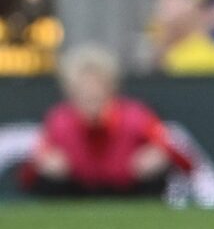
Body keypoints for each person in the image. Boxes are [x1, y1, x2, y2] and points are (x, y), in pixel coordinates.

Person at [21, 44, 193, 196]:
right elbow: (28, 174)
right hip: (76, 193)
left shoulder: (137, 116)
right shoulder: (58, 120)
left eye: (97, 84)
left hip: (130, 192)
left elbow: (182, 159)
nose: (91, 92)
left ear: (111, 86)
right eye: (83, 86)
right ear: (70, 90)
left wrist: (158, 155)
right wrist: (46, 162)